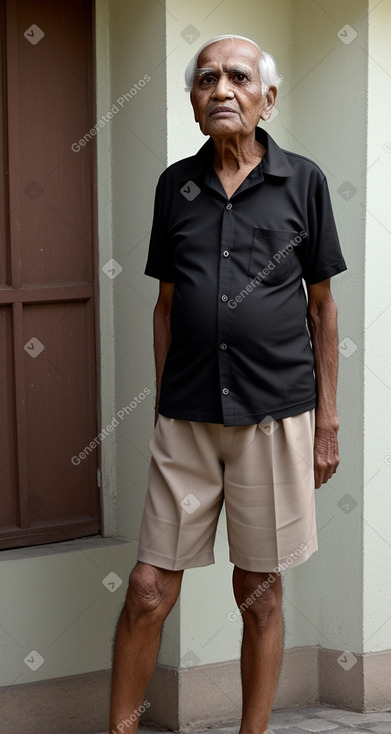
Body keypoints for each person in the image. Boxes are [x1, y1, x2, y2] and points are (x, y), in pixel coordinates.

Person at [109, 34, 347, 734]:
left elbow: (322, 309)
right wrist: (162, 405)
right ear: (191, 101)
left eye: (237, 78)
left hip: (275, 415)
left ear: (265, 98)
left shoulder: (302, 181)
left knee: (260, 594)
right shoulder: (174, 187)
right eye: (206, 78)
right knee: (149, 590)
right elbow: (165, 306)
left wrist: (327, 423)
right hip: (186, 416)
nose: (220, 89)